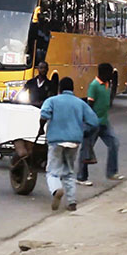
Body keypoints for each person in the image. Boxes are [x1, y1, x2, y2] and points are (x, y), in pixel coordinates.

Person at [39, 77, 99, 211]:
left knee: (52, 171)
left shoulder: (52, 101)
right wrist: (83, 131)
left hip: (56, 141)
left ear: (60, 88)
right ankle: (71, 202)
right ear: (72, 89)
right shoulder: (80, 103)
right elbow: (94, 122)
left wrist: (41, 128)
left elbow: (44, 115)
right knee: (69, 172)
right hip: (74, 141)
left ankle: (56, 190)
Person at [77, 63, 124, 186]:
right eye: (109, 73)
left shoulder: (107, 84)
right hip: (93, 123)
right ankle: (81, 177)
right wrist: (88, 123)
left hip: (104, 122)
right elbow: (89, 105)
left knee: (114, 143)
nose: (111, 76)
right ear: (103, 73)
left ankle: (112, 172)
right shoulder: (94, 86)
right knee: (86, 149)